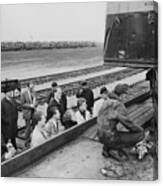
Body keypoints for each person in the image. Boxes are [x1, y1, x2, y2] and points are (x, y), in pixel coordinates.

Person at [21, 82, 37, 147]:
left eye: (33, 87)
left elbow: (36, 100)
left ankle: (34, 138)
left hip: (33, 111)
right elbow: (22, 104)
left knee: (34, 125)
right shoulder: (24, 93)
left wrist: (35, 104)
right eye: (31, 87)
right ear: (27, 87)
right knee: (28, 127)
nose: (32, 88)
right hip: (27, 112)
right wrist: (30, 105)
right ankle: (26, 141)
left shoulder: (34, 92)